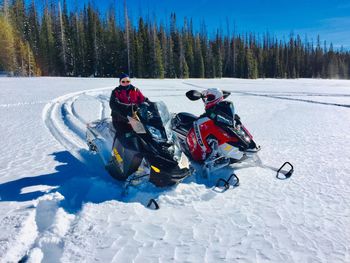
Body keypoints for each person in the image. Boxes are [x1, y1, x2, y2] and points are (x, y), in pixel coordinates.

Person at [109, 73, 148, 137]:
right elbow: (113, 104)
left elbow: (142, 99)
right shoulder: (116, 91)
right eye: (123, 81)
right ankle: (115, 146)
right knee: (124, 136)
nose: (125, 83)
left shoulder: (135, 90)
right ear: (120, 82)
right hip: (119, 118)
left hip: (134, 117)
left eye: (127, 81)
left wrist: (149, 103)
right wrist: (129, 107)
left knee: (143, 133)